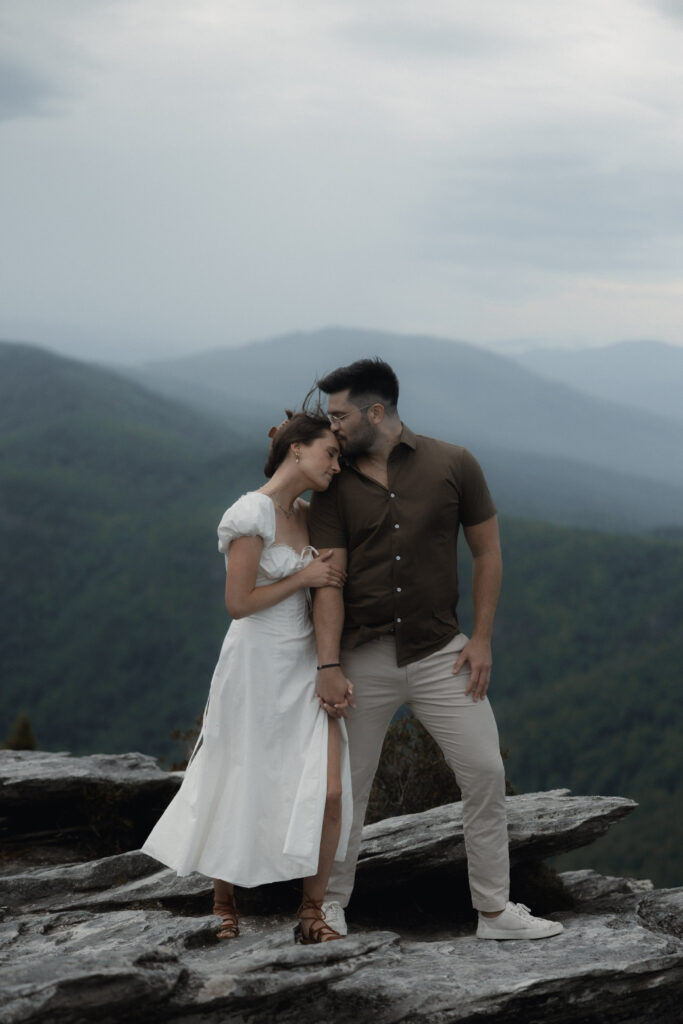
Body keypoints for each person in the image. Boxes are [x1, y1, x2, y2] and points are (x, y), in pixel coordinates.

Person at [307, 358, 564, 941]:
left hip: (441, 654)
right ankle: (327, 907)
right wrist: (327, 664)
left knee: (483, 771)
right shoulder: (334, 481)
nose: (334, 427)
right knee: (347, 786)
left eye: (341, 415)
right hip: (361, 660)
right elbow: (329, 580)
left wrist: (481, 639)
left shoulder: (454, 463)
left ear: (376, 412)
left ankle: (495, 912)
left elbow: (489, 553)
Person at [143, 412, 354, 944]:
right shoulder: (251, 511)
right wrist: (304, 575)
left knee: (328, 791)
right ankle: (223, 901)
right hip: (255, 661)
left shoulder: (309, 516)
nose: (336, 464)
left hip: (305, 662)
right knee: (239, 773)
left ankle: (311, 913)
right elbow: (238, 604)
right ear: (296, 450)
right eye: (329, 452)